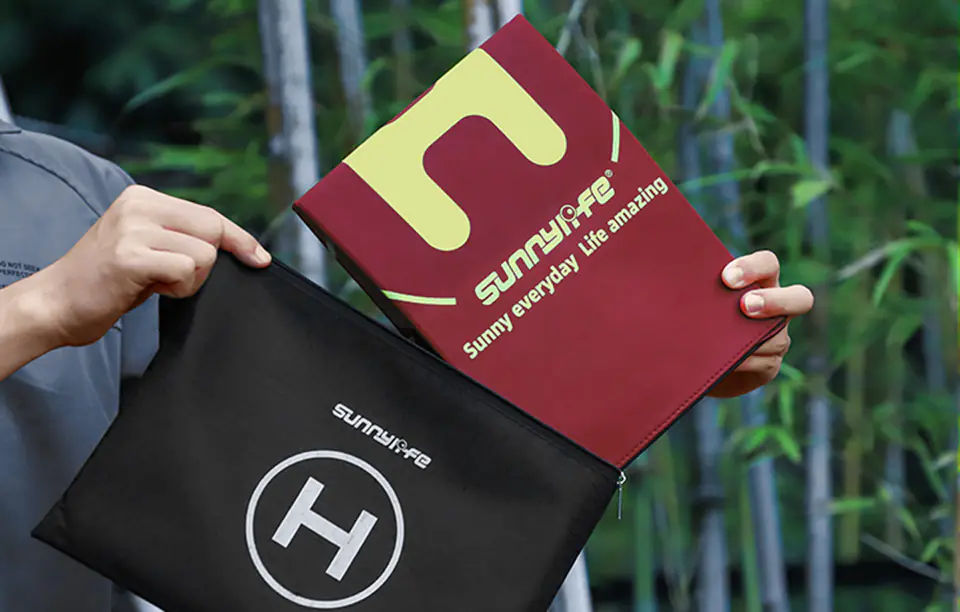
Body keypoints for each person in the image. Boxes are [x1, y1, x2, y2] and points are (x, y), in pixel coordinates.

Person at [0, 118, 813, 611]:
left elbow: (251, 440)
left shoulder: (76, 195)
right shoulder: (79, 226)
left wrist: (655, 359)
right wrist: (39, 309)